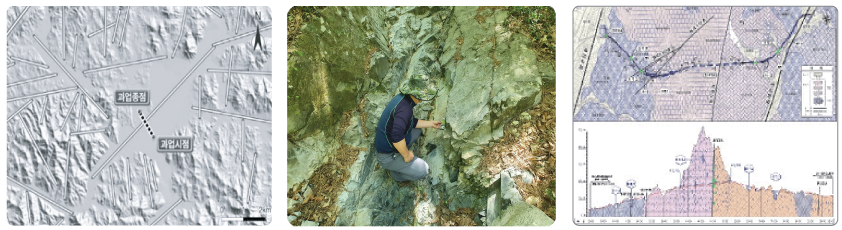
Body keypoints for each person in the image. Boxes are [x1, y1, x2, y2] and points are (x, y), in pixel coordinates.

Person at [374, 74, 442, 182]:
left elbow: (410, 122)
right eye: (421, 97)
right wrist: (406, 155)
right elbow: (396, 136)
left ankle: (400, 156)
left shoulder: (402, 99)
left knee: (416, 131)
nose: (422, 100)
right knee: (423, 170)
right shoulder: (405, 109)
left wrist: (431, 124)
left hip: (389, 144)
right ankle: (395, 174)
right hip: (386, 156)